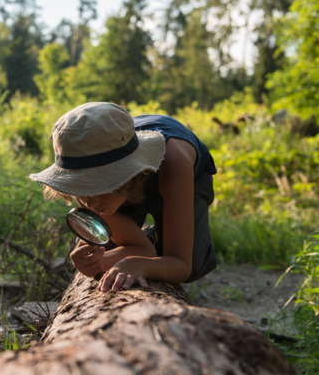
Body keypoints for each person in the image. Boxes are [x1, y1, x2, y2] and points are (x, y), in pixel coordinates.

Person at [29, 102, 217, 293]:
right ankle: (151, 239)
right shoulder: (85, 156)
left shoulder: (174, 164)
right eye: (80, 187)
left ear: (125, 176)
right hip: (120, 175)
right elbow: (107, 255)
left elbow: (181, 266)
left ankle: (159, 236)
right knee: (105, 252)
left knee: (192, 263)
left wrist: (139, 264)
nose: (89, 202)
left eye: (97, 186)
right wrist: (96, 262)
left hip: (179, 173)